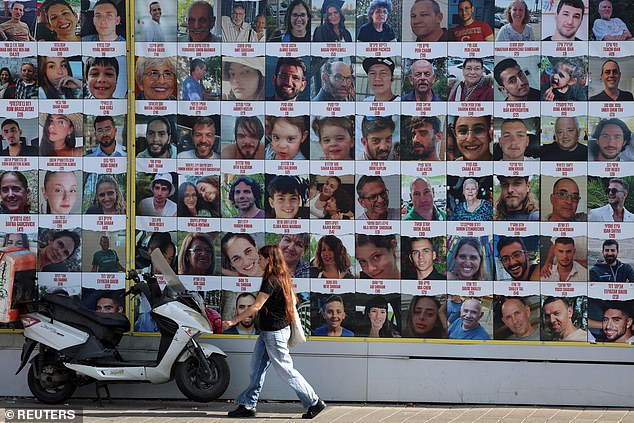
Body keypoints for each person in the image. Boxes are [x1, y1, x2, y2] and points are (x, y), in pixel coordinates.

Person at [223, 245, 326, 419]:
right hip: (270, 332)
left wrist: (233, 321)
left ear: (269, 260)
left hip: (274, 334)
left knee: (286, 370)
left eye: (261, 258)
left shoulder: (270, 280)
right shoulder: (282, 277)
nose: (259, 261)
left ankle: (314, 402)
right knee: (256, 369)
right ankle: (248, 405)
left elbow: (256, 306)